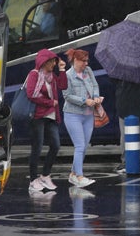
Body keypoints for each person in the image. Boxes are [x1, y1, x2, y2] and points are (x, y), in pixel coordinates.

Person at [27, 49, 68, 193]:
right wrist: (50, 103)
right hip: (38, 116)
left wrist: (62, 70)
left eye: (54, 62)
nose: (53, 64)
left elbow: (63, 85)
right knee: (37, 148)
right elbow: (31, 94)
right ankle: (33, 180)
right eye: (51, 62)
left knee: (55, 145)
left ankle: (45, 175)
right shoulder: (34, 75)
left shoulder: (52, 76)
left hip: (51, 116)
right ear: (43, 62)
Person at [62, 47, 102, 188]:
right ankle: (79, 176)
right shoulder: (68, 75)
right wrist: (84, 101)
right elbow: (67, 96)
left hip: (88, 115)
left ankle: (73, 174)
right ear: (75, 60)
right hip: (73, 115)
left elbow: (95, 85)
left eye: (87, 61)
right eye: (83, 61)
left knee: (84, 146)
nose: (86, 63)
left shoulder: (88, 71)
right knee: (79, 146)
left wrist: (96, 97)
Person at [114, 77, 140, 172]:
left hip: (123, 100)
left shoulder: (120, 70)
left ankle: (125, 161)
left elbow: (113, 80)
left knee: (124, 132)